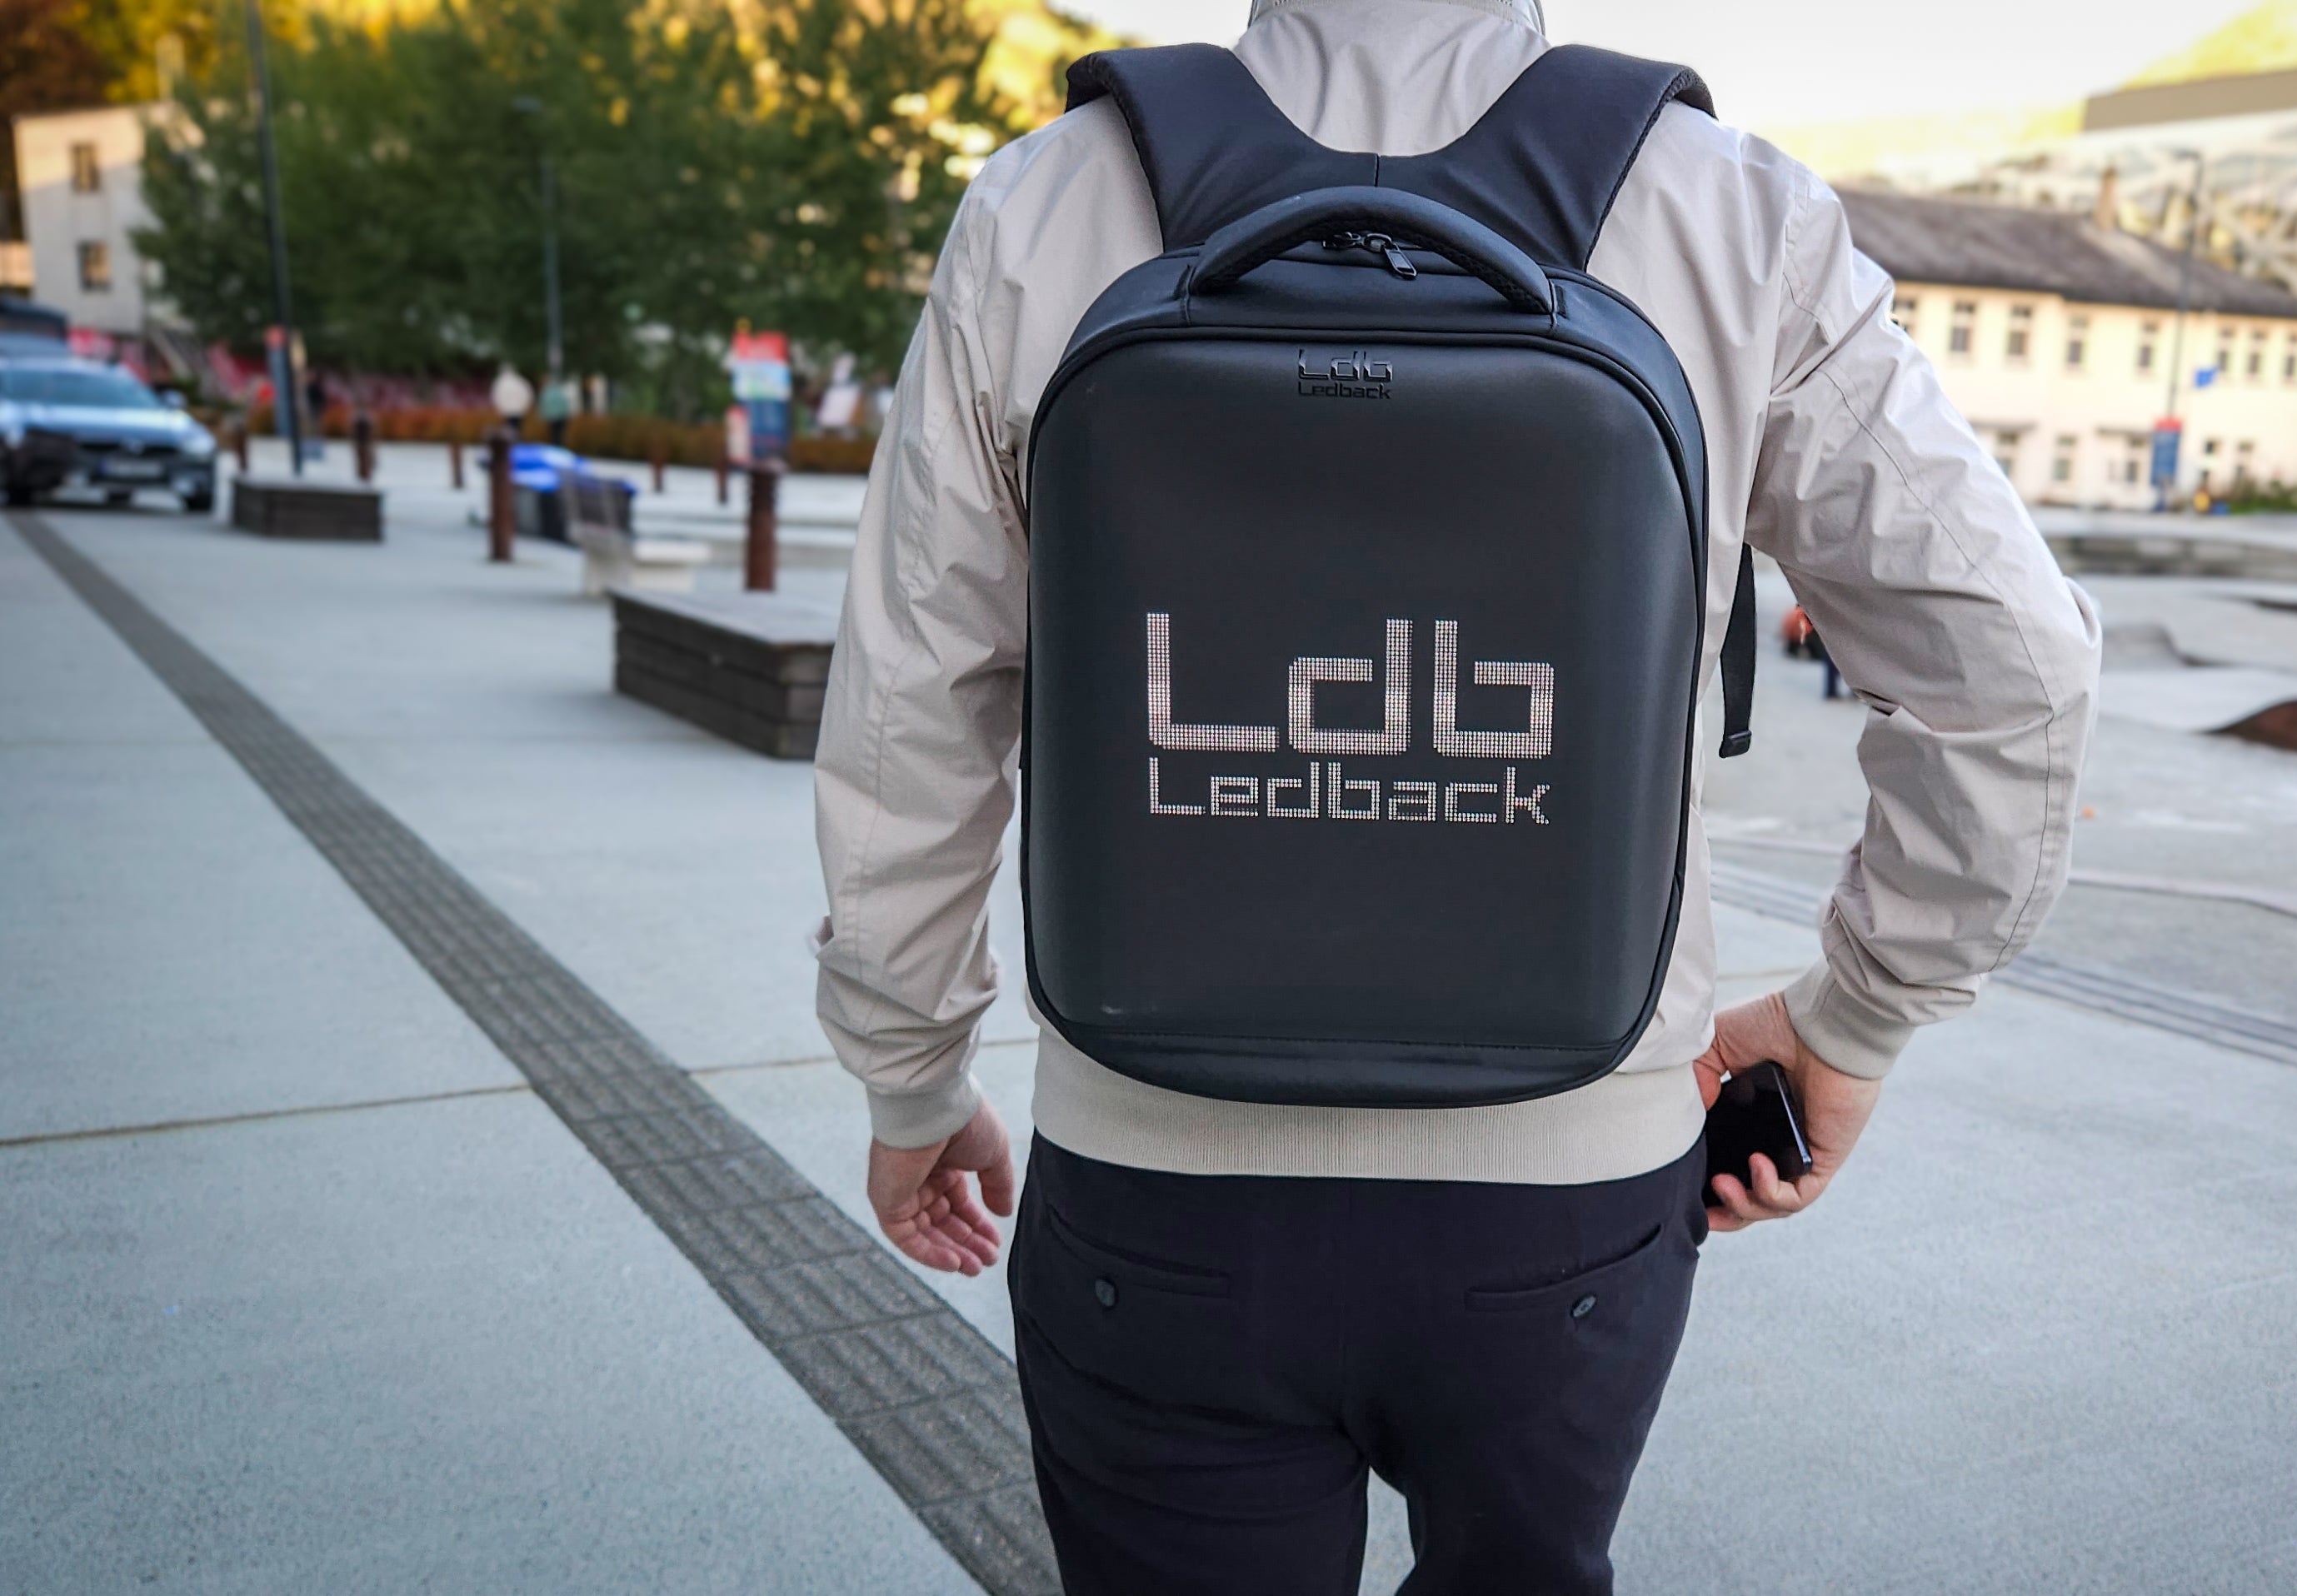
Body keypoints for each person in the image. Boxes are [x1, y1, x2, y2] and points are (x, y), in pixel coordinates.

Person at [810, 1, 2099, 1589]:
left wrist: (909, 1076)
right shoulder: (1723, 204)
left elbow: (909, 707)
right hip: (1566, 1189)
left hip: (1155, 1172)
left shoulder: (1043, 199)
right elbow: (2019, 666)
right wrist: (1856, 1018)